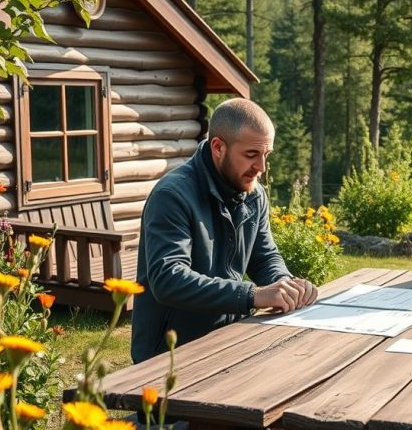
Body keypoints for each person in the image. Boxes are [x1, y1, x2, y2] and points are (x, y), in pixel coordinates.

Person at [131, 98, 318, 364]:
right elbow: (169, 279)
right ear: (218, 147)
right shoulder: (172, 195)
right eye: (251, 155)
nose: (261, 168)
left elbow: (264, 257)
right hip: (169, 357)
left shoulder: (253, 194)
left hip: (228, 341)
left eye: (267, 155)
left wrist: (286, 286)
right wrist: (252, 295)